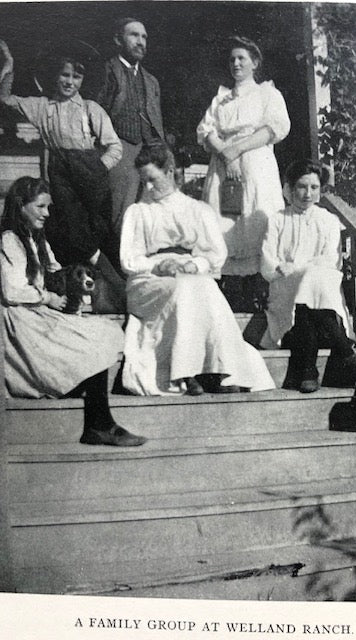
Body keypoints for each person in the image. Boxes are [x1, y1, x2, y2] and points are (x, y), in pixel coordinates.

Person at [119, 142, 275, 396]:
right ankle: (187, 372)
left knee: (202, 286)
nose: (147, 187)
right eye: (143, 181)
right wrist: (159, 264)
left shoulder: (197, 209)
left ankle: (217, 368)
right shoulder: (138, 212)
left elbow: (216, 253)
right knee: (188, 288)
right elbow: (129, 260)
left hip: (190, 274)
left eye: (152, 179)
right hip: (148, 281)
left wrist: (193, 264)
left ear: (170, 172)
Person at [1, 177, 146, 446]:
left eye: (48, 207)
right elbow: (12, 291)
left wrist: (68, 284)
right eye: (40, 207)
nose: (46, 213)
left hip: (38, 313)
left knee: (100, 332)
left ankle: (98, 421)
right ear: (21, 206)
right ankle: (99, 423)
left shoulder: (37, 240)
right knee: (84, 343)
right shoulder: (10, 241)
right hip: (20, 320)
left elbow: (54, 270)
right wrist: (48, 298)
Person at [0, 40, 125, 297]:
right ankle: (80, 291)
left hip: (92, 180)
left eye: (76, 77)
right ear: (55, 76)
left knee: (101, 234)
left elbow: (115, 148)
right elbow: (5, 99)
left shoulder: (91, 109)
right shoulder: (43, 107)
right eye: (65, 75)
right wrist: (9, 66)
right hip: (61, 180)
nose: (70, 82)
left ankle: (115, 293)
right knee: (70, 234)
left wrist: (96, 168)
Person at [260, 159, 356, 393]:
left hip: (318, 286)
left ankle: (308, 370)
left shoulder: (328, 220)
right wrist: (292, 270)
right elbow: (268, 264)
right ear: (290, 188)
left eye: (314, 188)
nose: (307, 194)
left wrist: (295, 266)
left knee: (313, 279)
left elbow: (330, 261)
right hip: (285, 290)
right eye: (302, 187)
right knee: (310, 285)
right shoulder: (277, 220)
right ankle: (343, 346)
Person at [197, 36, 290, 279]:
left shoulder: (266, 93)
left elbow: (274, 128)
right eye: (232, 59)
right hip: (222, 166)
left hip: (256, 163)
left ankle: (259, 284)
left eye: (242, 58)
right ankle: (228, 285)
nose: (236, 63)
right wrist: (226, 154)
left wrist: (237, 150)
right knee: (224, 220)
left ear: (255, 63)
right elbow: (206, 131)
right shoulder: (221, 99)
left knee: (256, 213)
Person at [97, 17, 164, 235]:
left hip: (148, 150)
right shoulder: (106, 70)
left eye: (144, 37)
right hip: (119, 148)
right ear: (118, 39)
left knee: (149, 211)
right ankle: (118, 265)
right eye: (134, 35)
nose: (141, 41)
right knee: (121, 213)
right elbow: (95, 112)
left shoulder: (151, 80)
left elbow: (156, 120)